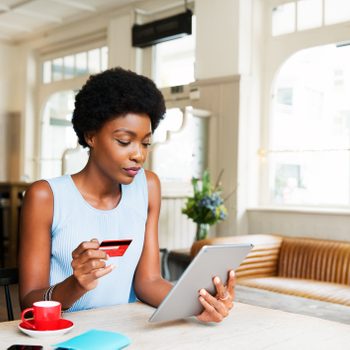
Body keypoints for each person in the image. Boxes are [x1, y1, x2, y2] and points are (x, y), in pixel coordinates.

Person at [18, 67, 235, 323]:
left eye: (145, 143)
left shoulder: (149, 186)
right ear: (91, 136)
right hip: (65, 333)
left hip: (127, 331)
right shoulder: (45, 196)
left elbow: (149, 281)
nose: (139, 155)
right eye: (124, 141)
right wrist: (76, 284)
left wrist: (201, 305)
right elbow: (29, 300)